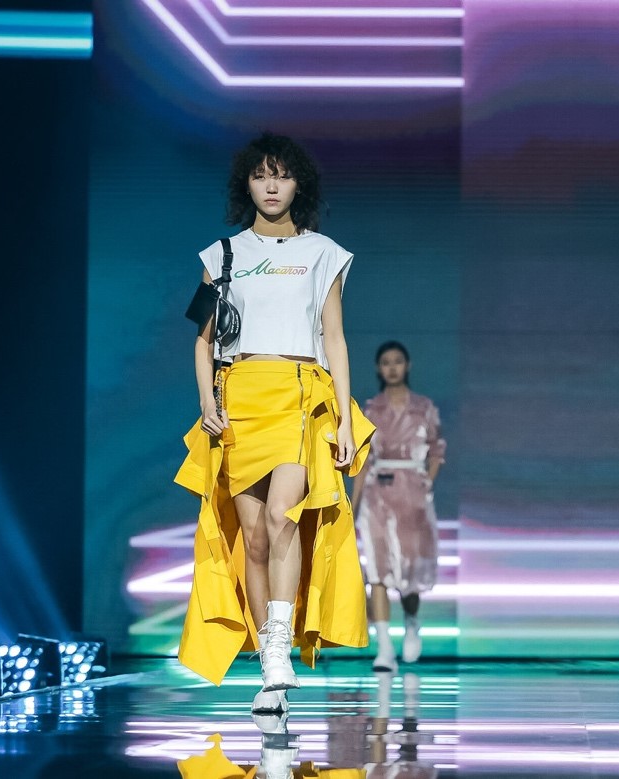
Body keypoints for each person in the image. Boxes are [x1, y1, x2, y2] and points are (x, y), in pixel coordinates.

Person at [174, 131, 376, 716]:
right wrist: (207, 402)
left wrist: (343, 418)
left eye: (281, 175)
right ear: (246, 183)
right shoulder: (222, 255)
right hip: (240, 397)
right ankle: (268, 663)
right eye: (261, 175)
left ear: (298, 185)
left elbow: (335, 340)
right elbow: (203, 341)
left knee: (284, 518)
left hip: (299, 395)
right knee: (254, 537)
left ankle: (281, 649)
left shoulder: (323, 253)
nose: (271, 186)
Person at [350, 341, 446, 672]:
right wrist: (353, 504)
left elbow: (437, 449)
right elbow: (362, 460)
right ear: (379, 368)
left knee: (410, 572)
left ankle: (412, 622)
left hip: (413, 498)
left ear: (408, 365)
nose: (392, 367)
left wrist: (426, 482)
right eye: (386, 362)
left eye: (398, 361)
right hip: (377, 495)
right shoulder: (370, 409)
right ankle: (384, 648)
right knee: (377, 571)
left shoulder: (424, 407)